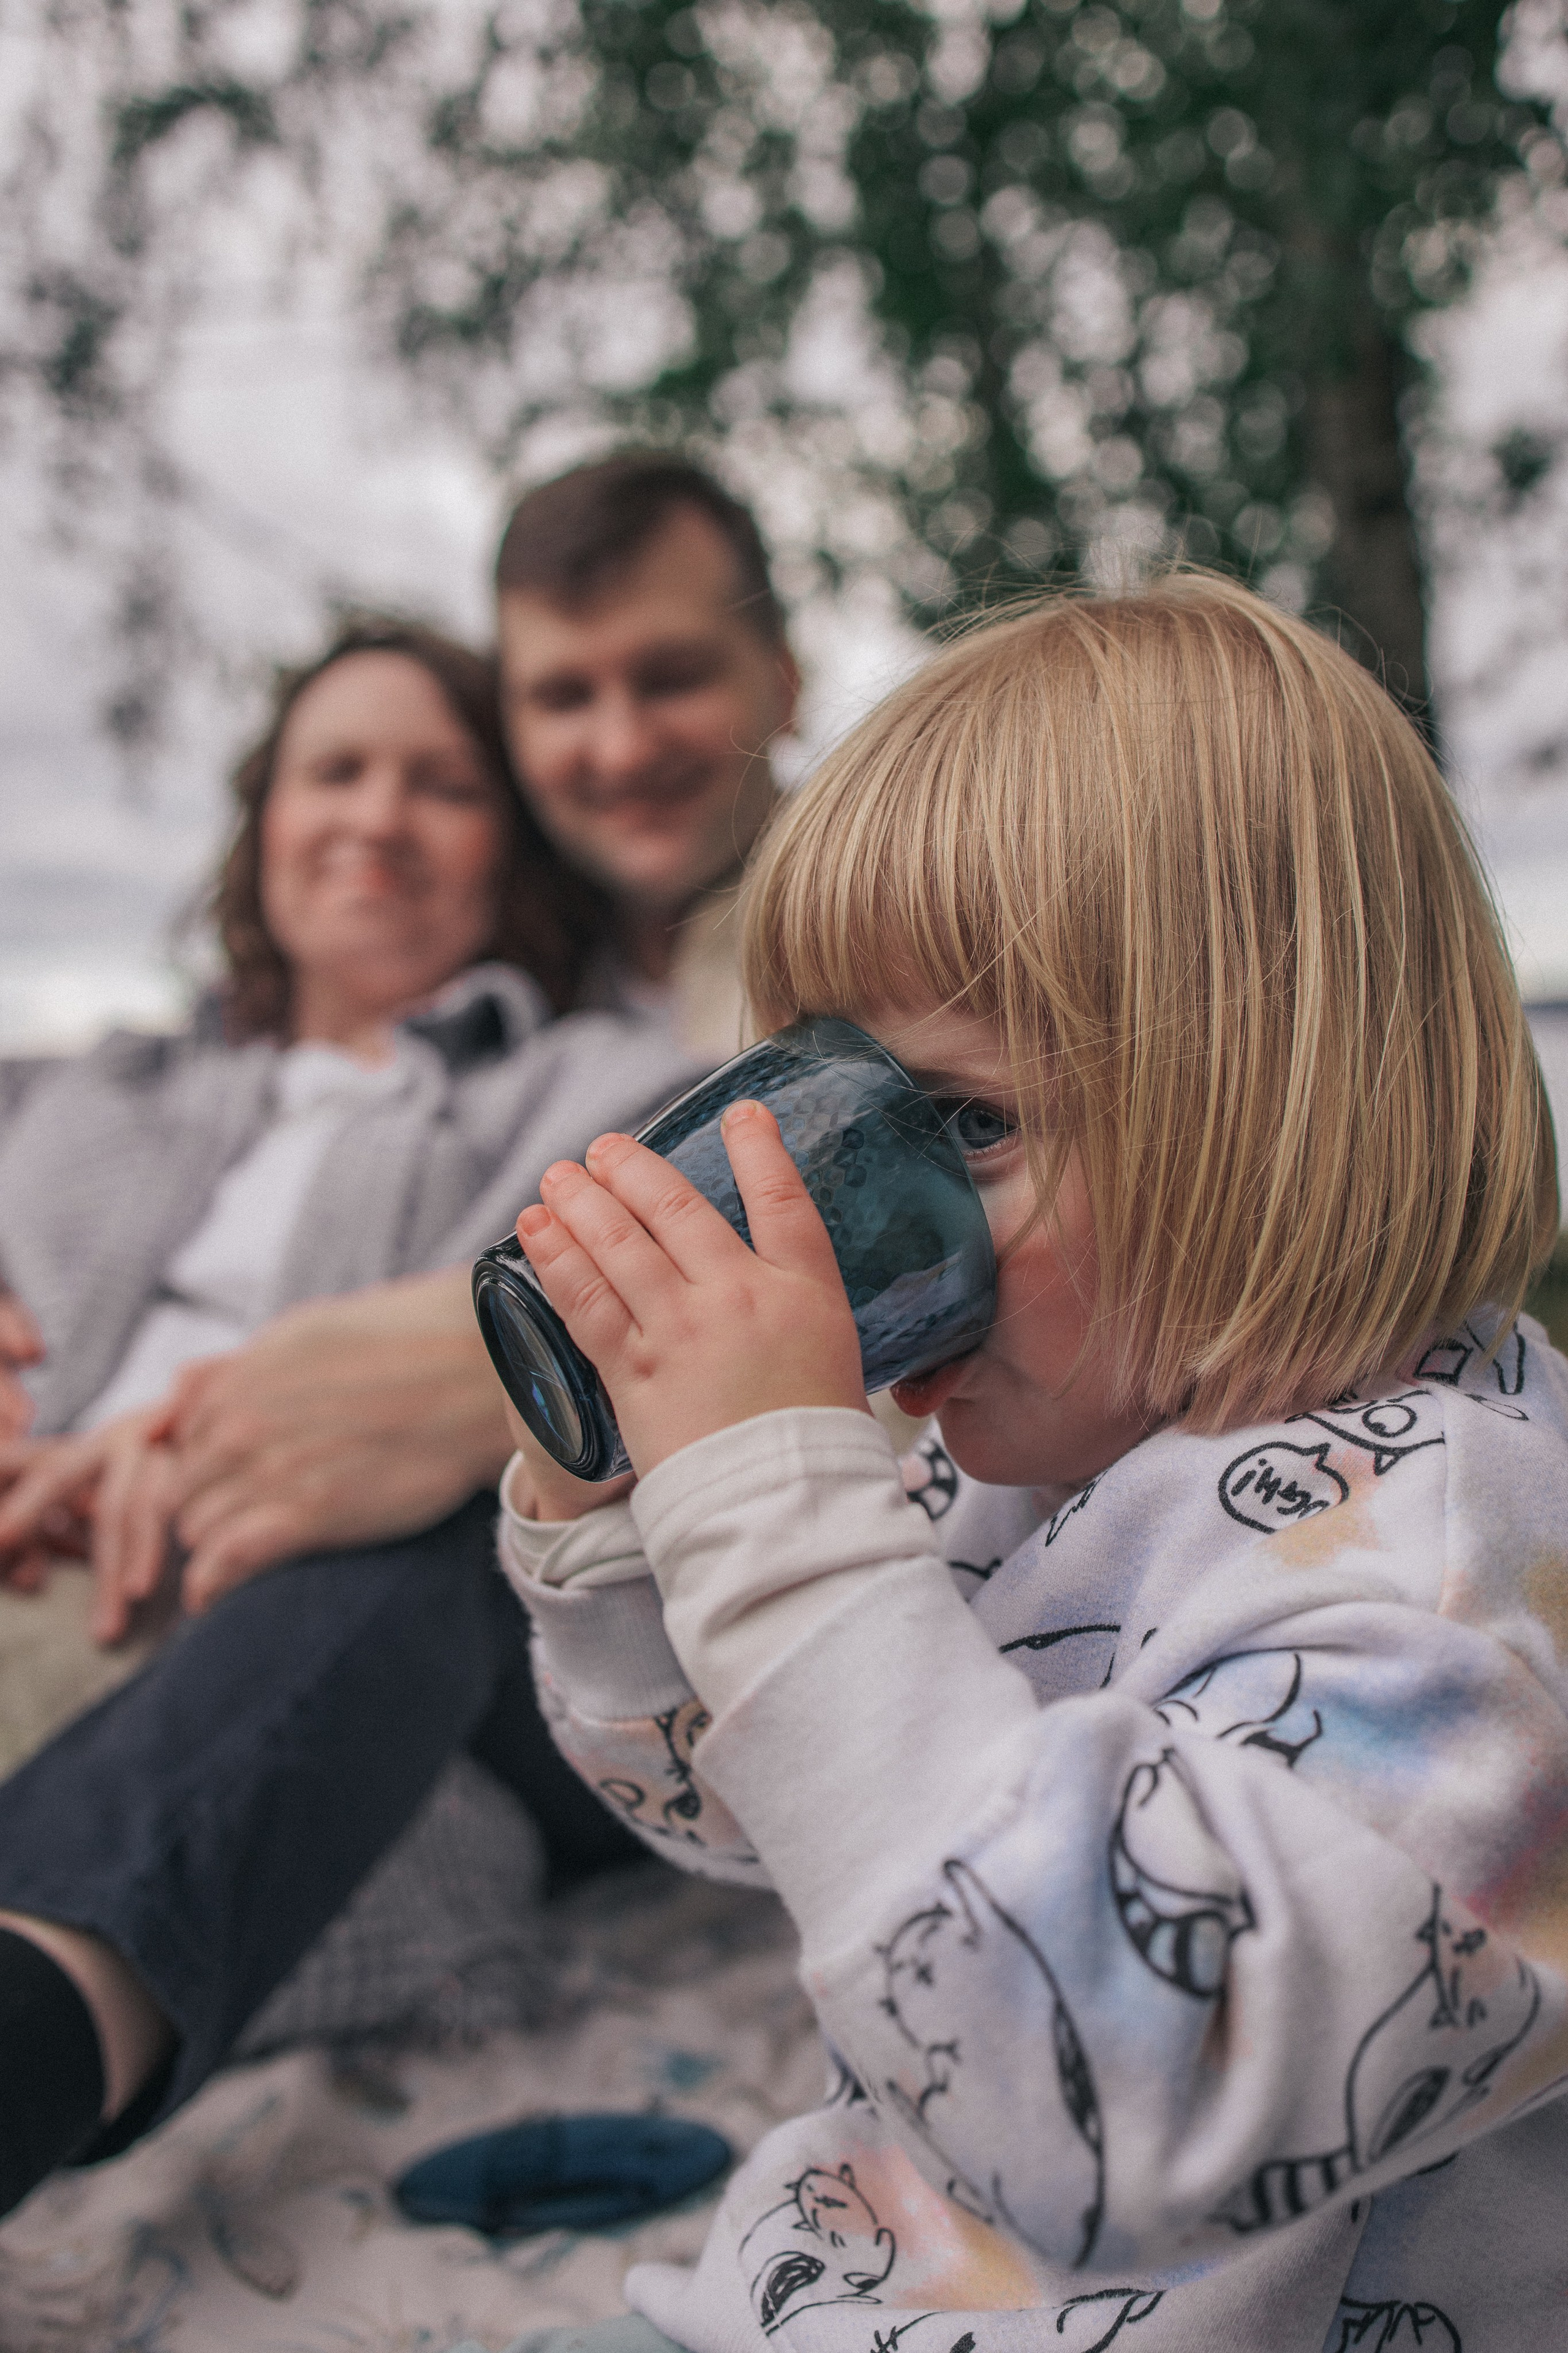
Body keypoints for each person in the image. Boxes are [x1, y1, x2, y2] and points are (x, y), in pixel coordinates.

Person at [490, 574, 1566, 2350]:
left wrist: (785, 1516)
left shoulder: (1454, 1588)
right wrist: (642, 1521)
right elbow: (757, 1801)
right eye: (829, 1105)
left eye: (967, 1123)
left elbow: (1124, 2081)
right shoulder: (1043, 1443)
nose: (857, 1212)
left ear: (1279, 1109)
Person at [0, 456, 802, 2213]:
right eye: (561, 698)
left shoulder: (668, 1026)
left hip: (463, 1621)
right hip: (114, 1589)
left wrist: (453, 1375)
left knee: (446, 1512)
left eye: (441, 782)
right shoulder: (108, 1089)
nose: (376, 817)